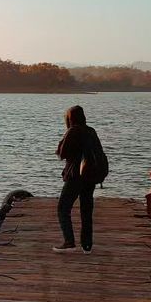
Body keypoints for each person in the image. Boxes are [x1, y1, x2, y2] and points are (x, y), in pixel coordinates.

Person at [54, 105, 103, 254]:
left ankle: (69, 242)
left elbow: (61, 154)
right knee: (86, 209)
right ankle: (86, 245)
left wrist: (64, 138)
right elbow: (98, 152)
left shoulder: (72, 131)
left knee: (63, 208)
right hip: (90, 176)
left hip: (75, 176)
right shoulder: (91, 131)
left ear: (70, 118)